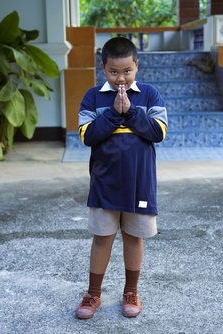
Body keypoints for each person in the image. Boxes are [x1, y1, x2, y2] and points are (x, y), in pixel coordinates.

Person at [75, 36, 168, 319]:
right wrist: (114, 114)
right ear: (103, 68)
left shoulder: (149, 94)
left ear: (136, 66)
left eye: (127, 71)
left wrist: (132, 111)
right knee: (102, 237)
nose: (121, 78)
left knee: (133, 236)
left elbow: (158, 132)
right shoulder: (93, 96)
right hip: (104, 181)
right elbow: (88, 135)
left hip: (139, 182)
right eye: (114, 72)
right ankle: (93, 294)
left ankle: (131, 291)